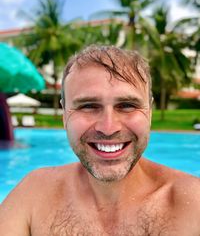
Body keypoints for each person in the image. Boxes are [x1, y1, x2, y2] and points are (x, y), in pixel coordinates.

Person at [0, 45, 200, 236]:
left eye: (127, 105)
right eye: (88, 106)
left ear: (148, 112)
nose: (108, 127)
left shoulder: (192, 204)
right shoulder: (34, 195)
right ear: (64, 114)